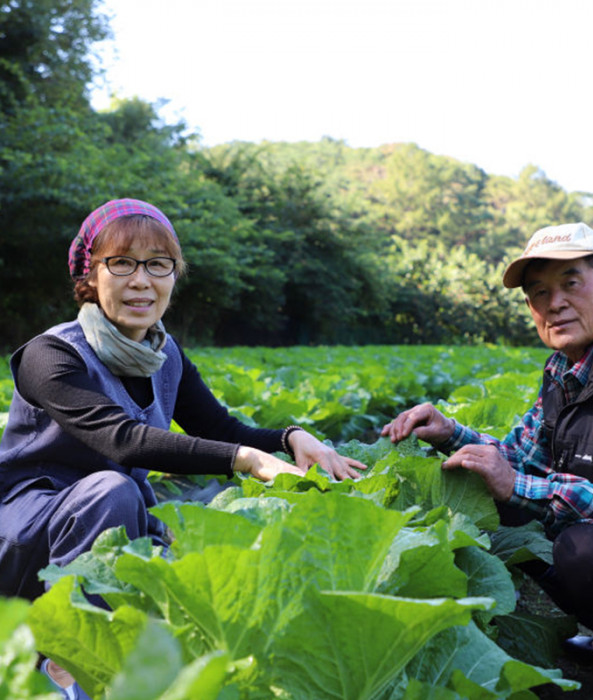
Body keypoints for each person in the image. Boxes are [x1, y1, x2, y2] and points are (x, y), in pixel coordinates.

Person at [0, 199, 366, 697]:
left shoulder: (163, 353)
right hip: (25, 540)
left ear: (173, 276)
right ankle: (67, 668)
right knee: (112, 490)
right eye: (122, 263)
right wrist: (246, 461)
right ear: (90, 277)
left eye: (158, 264)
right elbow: (120, 439)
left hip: (106, 537)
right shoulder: (50, 355)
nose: (141, 280)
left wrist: (290, 438)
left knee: (169, 537)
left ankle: (120, 656)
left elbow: (217, 426)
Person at [382, 222, 593, 700]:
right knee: (506, 503)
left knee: (584, 551)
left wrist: (517, 487)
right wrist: (452, 434)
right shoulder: (566, 366)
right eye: (538, 293)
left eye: (571, 283)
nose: (554, 303)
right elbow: (516, 457)